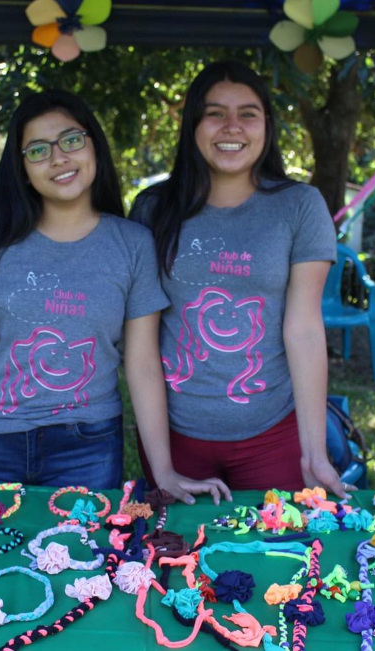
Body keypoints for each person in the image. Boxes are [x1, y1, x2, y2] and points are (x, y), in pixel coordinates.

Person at [0, 90, 230, 505]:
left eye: (72, 140)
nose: (59, 158)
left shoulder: (132, 244)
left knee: (81, 566)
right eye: (39, 149)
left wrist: (164, 471)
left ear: (94, 146)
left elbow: (143, 364)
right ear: (23, 168)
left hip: (89, 444)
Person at [130, 61, 349, 497]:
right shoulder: (152, 209)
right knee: (175, 557)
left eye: (248, 113)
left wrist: (314, 452)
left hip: (273, 434)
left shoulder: (301, 206)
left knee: (285, 555)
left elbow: (304, 330)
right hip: (175, 437)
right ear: (193, 124)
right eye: (215, 113)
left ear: (267, 125)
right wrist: (161, 467)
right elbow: (140, 345)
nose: (232, 126)